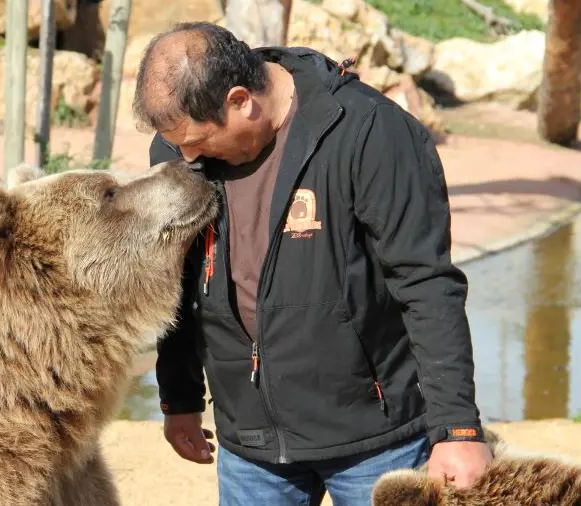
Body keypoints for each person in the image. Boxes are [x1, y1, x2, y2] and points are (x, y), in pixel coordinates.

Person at [132, 21, 493, 506]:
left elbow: (426, 283)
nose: (186, 157)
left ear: (241, 100)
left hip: (375, 441)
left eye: (198, 140)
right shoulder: (181, 149)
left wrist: (459, 429)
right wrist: (179, 398)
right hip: (251, 446)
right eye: (177, 144)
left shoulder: (370, 132)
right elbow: (176, 281)